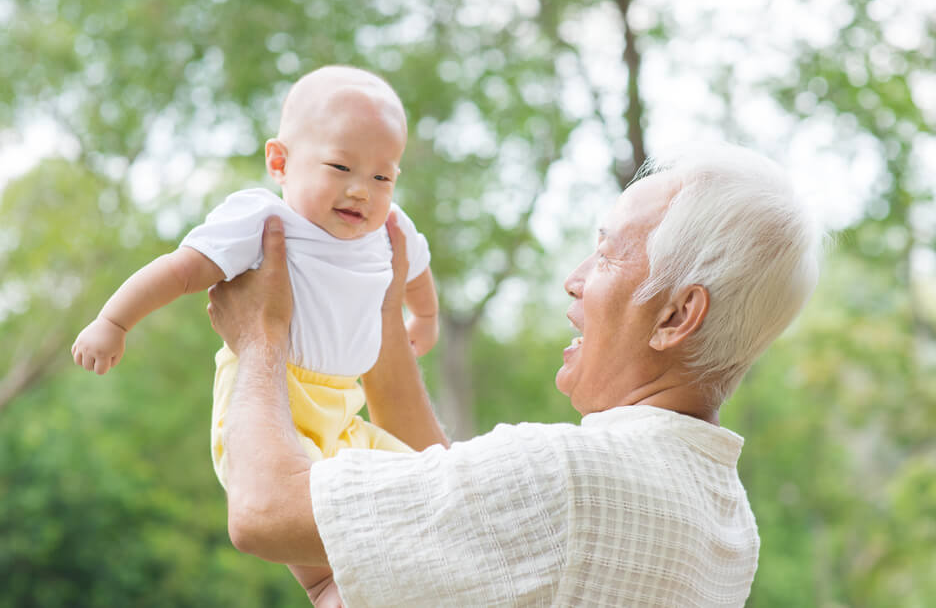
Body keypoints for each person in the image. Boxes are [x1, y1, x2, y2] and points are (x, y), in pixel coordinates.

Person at [207, 143, 824, 607]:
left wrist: (261, 339)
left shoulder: (570, 478)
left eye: (607, 253)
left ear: (676, 315)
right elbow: (460, 513)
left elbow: (263, 513)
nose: (575, 278)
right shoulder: (727, 521)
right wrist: (382, 323)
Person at [70, 66, 440, 594]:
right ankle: (323, 585)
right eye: (340, 167)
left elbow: (417, 276)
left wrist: (423, 319)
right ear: (280, 162)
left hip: (343, 407)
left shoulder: (390, 228)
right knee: (304, 524)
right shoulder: (261, 220)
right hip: (269, 402)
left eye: (383, 177)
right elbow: (180, 270)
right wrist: (114, 320)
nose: (362, 190)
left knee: (430, 485)